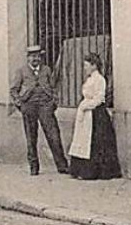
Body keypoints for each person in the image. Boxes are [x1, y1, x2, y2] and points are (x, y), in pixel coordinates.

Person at [10, 45, 69, 175]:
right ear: (28, 58)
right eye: (32, 56)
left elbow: (53, 86)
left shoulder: (46, 70)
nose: (35, 59)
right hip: (29, 106)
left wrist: (54, 101)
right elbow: (14, 90)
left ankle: (62, 165)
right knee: (31, 137)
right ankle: (34, 166)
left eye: (37, 56)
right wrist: (20, 104)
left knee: (54, 135)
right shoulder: (21, 71)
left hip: (45, 106)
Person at [68, 53, 121, 180]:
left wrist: (86, 106)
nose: (85, 68)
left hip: (96, 114)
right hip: (87, 114)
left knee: (95, 142)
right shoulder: (90, 79)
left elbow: (99, 98)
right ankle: (81, 170)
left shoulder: (100, 79)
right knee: (83, 140)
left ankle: (94, 172)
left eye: (87, 65)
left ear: (94, 66)